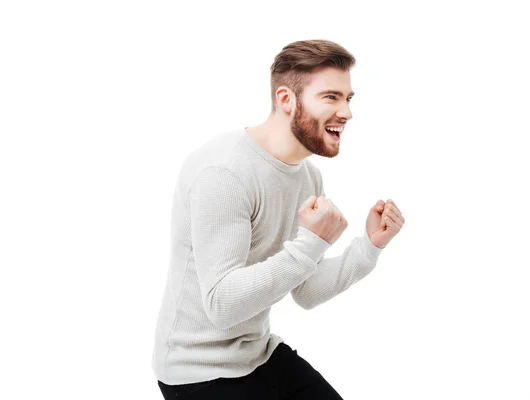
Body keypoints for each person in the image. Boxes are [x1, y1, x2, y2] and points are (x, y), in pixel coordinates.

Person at [151, 39, 405, 399]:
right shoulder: (224, 173)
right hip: (197, 373)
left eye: (348, 99)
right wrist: (310, 245)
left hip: (259, 354)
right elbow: (221, 306)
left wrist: (369, 248)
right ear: (286, 100)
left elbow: (305, 290)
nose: (346, 112)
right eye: (331, 97)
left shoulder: (308, 177)